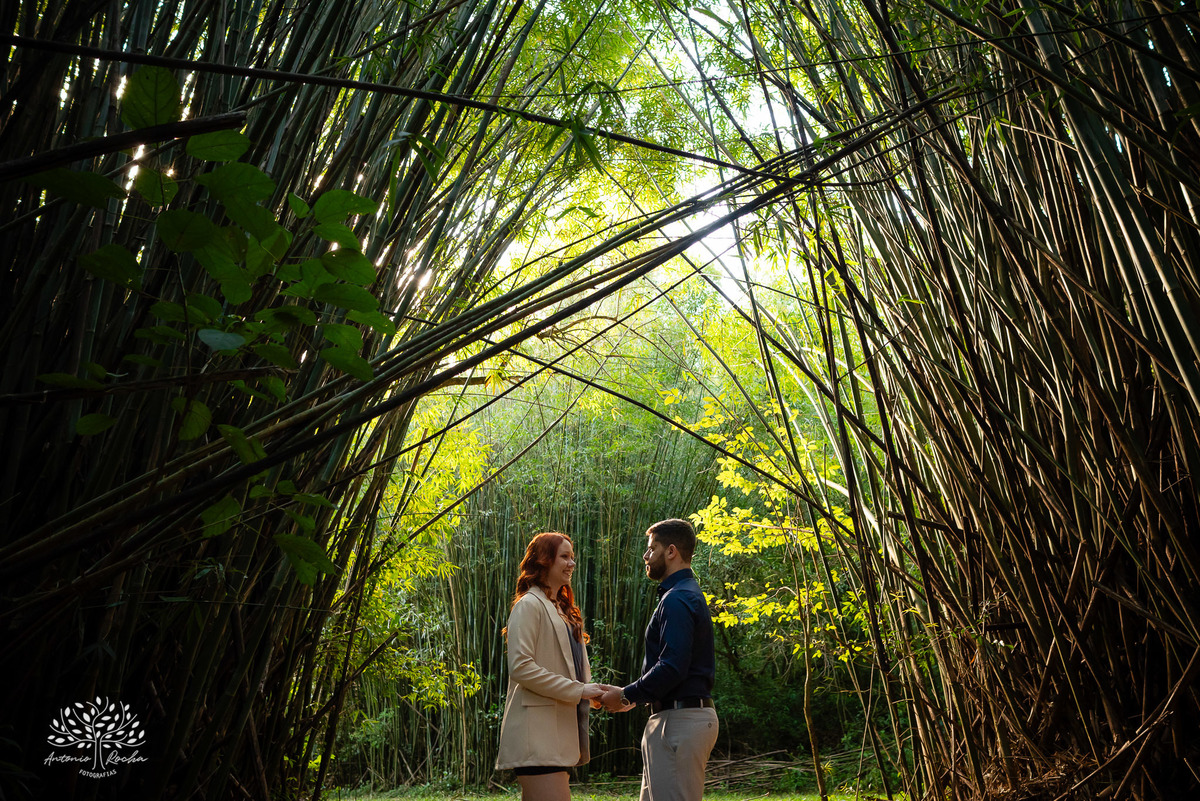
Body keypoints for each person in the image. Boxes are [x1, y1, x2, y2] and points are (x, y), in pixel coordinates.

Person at [598, 518, 718, 801]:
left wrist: (627, 695)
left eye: (652, 549)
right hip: (674, 719)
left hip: (679, 722)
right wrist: (638, 699)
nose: (646, 556)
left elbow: (672, 667)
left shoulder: (677, 599)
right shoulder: (683, 595)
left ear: (672, 551)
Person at [496, 532, 615, 801]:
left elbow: (571, 670)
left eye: (572, 557)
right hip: (537, 734)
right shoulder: (528, 605)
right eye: (564, 556)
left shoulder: (563, 610)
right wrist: (580, 690)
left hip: (559, 735)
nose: (572, 563)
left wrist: (594, 694)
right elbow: (521, 667)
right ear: (543, 560)